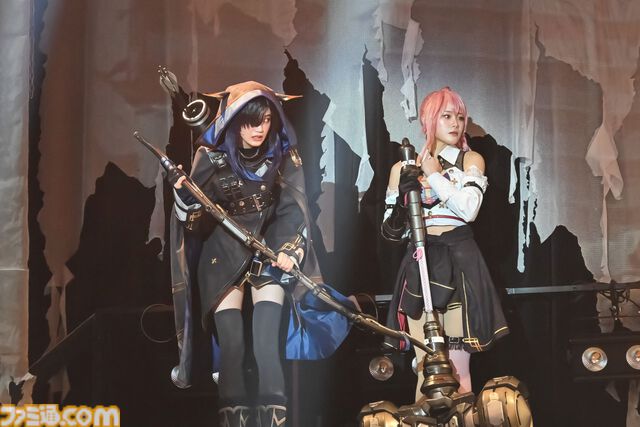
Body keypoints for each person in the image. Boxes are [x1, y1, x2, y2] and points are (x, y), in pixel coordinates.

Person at [169, 81, 329, 427]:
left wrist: (288, 250)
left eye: (267, 120)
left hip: (266, 251)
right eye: (251, 121)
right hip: (221, 253)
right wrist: (185, 199)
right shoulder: (210, 157)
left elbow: (293, 210)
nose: (260, 129)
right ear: (234, 120)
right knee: (232, 344)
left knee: (266, 341)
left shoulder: (282, 155)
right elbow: (194, 225)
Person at [381, 87, 509, 397]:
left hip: (459, 262)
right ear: (429, 120)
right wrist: (402, 203)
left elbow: (469, 209)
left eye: (460, 117)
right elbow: (391, 233)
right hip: (421, 263)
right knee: (426, 367)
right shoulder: (402, 167)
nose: (455, 124)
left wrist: (434, 176)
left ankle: (460, 417)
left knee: (457, 369)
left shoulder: (470, 160)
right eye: (446, 116)